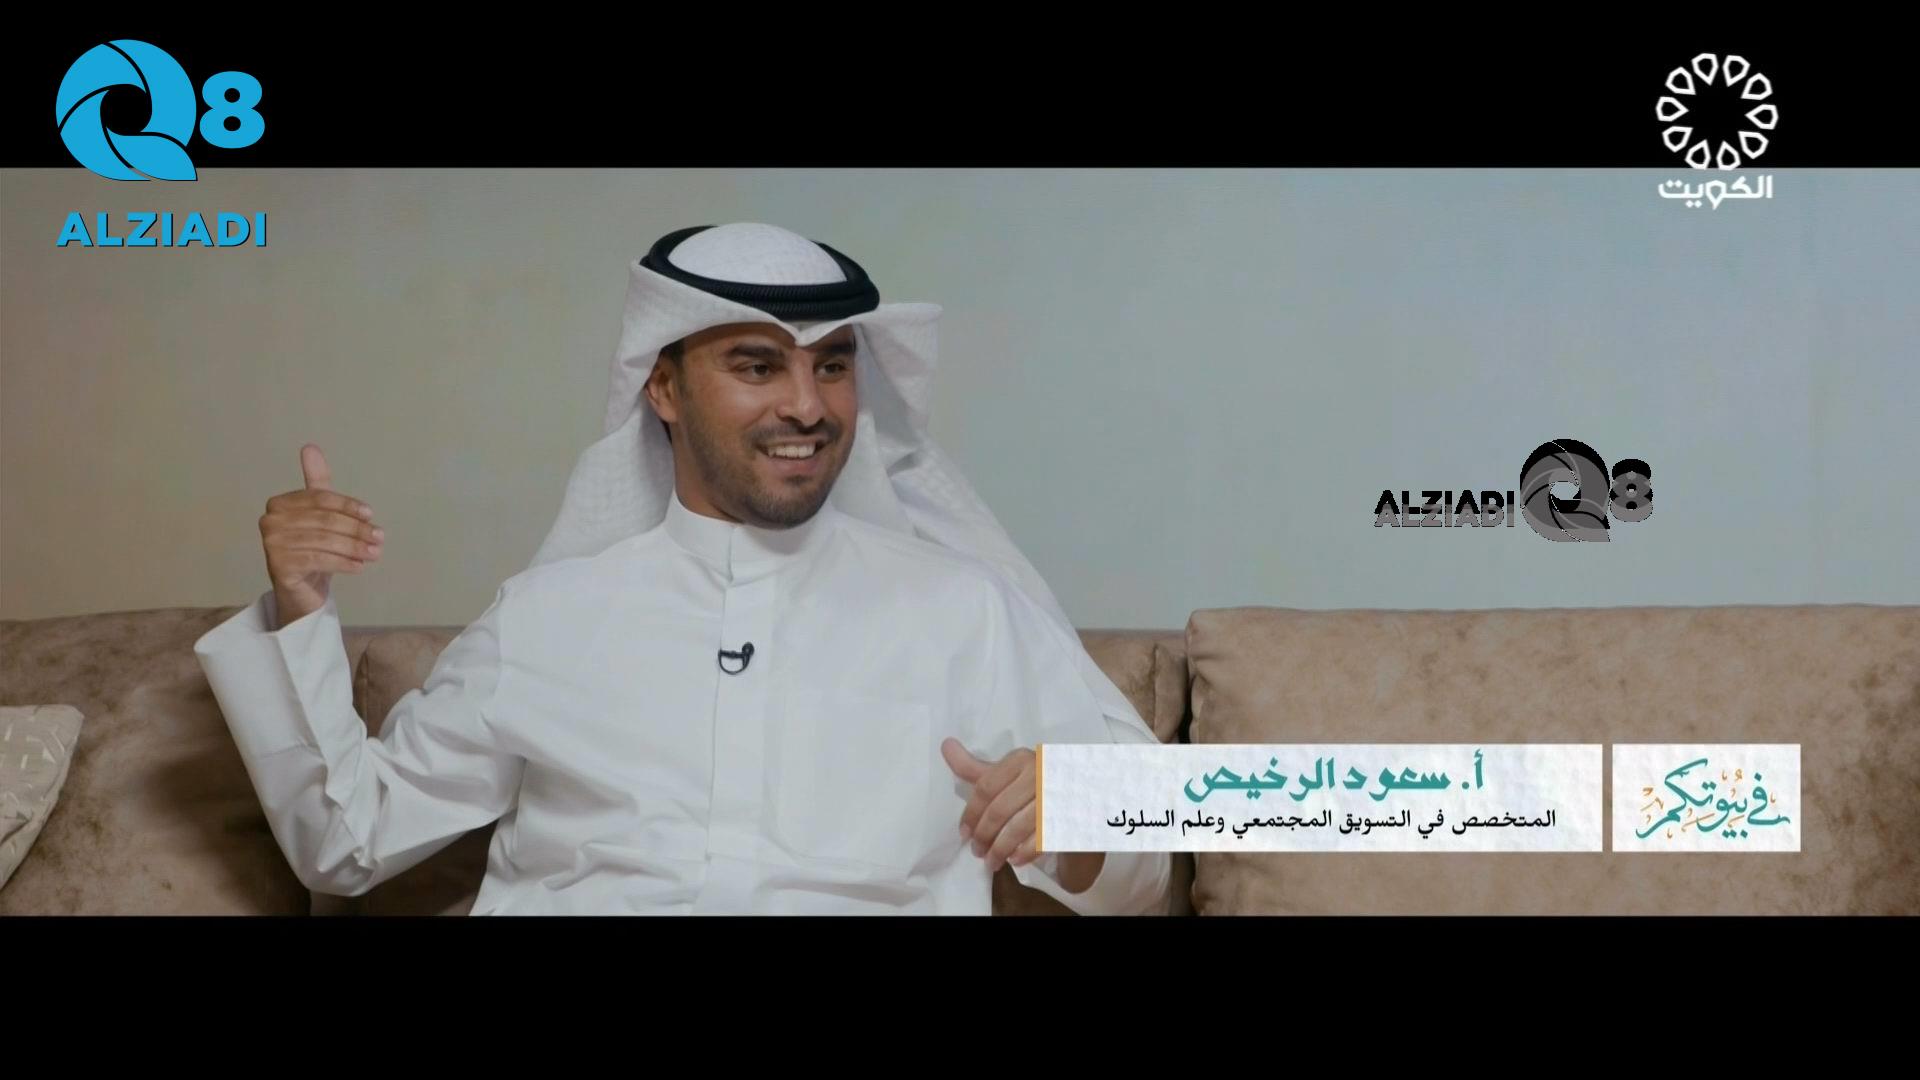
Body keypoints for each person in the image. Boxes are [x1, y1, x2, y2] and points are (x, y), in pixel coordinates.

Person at [194, 222, 1172, 915]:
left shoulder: (962, 609)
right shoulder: (546, 618)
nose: (808, 405)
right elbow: (345, 842)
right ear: (663, 388)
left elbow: (1159, 858)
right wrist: (301, 605)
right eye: (757, 365)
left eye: (833, 365)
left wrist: (1079, 808)